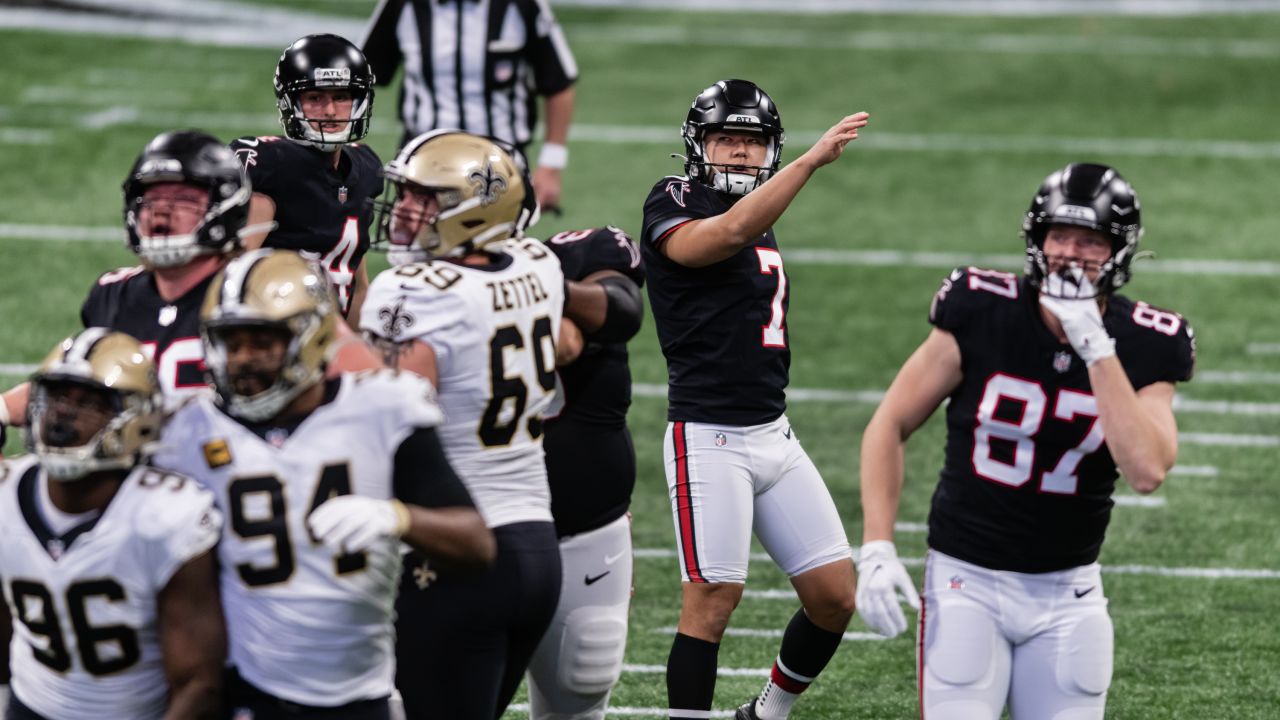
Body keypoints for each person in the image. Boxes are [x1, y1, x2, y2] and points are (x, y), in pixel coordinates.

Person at [856, 162, 1195, 719]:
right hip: (967, 580)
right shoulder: (981, 307)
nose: (1071, 253)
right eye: (1059, 235)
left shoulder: (1147, 342)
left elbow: (1147, 470)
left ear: (1119, 251)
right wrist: (876, 545)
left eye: (1091, 241)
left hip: (1070, 593)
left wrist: (1097, 348)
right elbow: (889, 424)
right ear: (1036, 239)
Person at [150, 249, 495, 719]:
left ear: (312, 338)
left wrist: (398, 517)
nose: (243, 360)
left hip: (358, 694)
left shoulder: (381, 408)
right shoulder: (188, 431)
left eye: (262, 342)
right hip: (243, 693)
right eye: (232, 342)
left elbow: (476, 544)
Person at [639, 79, 870, 720]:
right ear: (699, 144)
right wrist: (809, 162)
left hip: (773, 432)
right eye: (727, 140)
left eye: (752, 142)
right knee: (713, 598)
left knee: (833, 597)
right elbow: (724, 234)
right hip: (708, 435)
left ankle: (765, 713)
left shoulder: (761, 208)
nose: (740, 154)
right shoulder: (676, 198)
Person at [360, 130, 564, 719]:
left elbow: (390, 413)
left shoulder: (411, 291)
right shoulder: (539, 263)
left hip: (455, 552)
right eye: (404, 196)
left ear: (476, 209)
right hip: (536, 546)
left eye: (425, 200)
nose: (403, 213)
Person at [0, 129, 379, 440]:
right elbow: (89, 383)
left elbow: (367, 381)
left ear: (225, 206)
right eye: (152, 198)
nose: (162, 210)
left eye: (183, 199)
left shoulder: (265, 289)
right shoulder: (114, 293)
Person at [0, 329, 225, 720]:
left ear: (134, 420)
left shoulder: (166, 516)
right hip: (29, 705)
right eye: (57, 396)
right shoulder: (6, 495)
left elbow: (198, 683)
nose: (64, 411)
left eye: (88, 402)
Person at [524, 225, 645, 720]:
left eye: (427, 199)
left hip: (587, 524)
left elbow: (614, 317)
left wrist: (538, 284)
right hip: (477, 522)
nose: (408, 213)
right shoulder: (406, 288)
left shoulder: (573, 254)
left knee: (580, 691)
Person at [360, 0, 578, 212]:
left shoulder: (521, 4)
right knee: (417, 246)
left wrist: (551, 164)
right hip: (423, 160)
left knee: (493, 246)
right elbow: (360, 75)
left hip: (500, 165)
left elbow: (558, 82)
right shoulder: (403, 4)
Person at [231, 34, 383, 322]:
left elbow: (356, 286)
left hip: (331, 342)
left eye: (341, 97)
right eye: (315, 98)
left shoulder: (365, 168)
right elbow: (231, 278)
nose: (329, 110)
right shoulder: (272, 166)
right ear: (291, 103)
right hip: (273, 333)